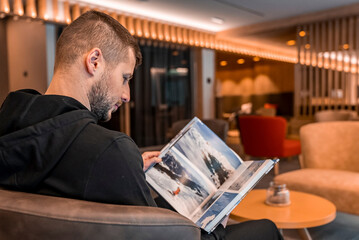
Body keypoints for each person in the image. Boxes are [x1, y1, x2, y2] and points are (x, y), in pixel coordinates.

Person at [0, 11, 282, 240]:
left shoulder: (11, 124)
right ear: (94, 61)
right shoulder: (108, 149)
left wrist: (127, 169)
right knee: (266, 228)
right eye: (125, 77)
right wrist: (215, 218)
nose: (127, 95)